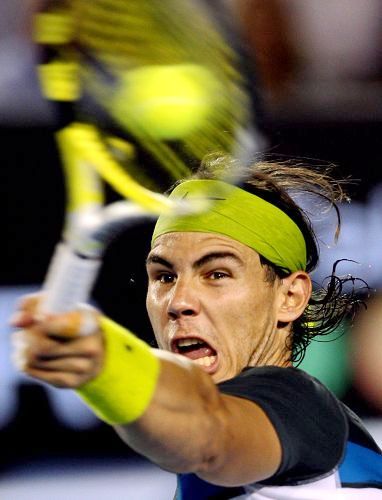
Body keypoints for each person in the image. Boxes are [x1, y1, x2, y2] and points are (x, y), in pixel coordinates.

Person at [11, 154, 382, 499]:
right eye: (164, 276)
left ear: (290, 296)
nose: (178, 302)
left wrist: (105, 362)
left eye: (217, 273)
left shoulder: (300, 409)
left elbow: (207, 432)